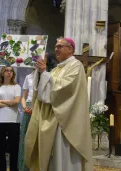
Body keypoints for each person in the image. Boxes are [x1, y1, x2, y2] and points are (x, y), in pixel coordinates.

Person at [25, 37, 93, 171]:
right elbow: (43, 91)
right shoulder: (56, 69)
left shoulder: (76, 66)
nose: (56, 49)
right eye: (56, 46)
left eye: (60, 46)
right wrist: (40, 72)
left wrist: (44, 73)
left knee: (63, 154)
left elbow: (64, 89)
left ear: (70, 50)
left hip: (65, 121)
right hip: (53, 118)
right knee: (54, 157)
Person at [0, 65, 21, 171]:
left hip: (13, 120)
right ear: (2, 73)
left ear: (13, 74)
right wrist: (9, 103)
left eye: (11, 71)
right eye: (6, 71)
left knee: (14, 149)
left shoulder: (17, 86)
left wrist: (1, 101)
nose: (9, 72)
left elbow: (16, 101)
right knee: (0, 149)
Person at [18, 69, 35, 171]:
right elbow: (23, 97)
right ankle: (24, 167)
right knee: (25, 136)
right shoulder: (28, 77)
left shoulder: (48, 75)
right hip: (28, 107)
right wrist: (24, 107)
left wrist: (35, 108)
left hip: (40, 108)